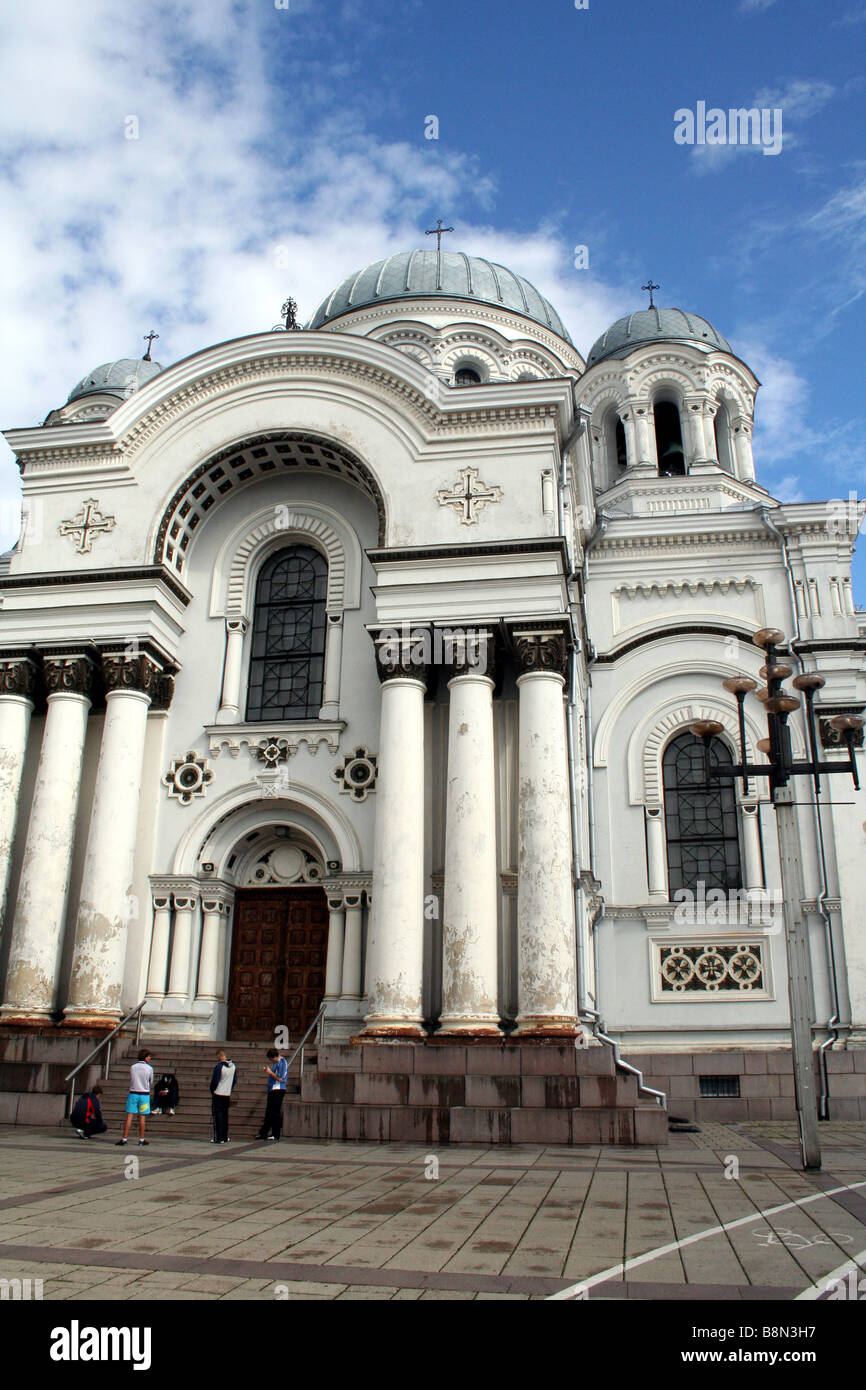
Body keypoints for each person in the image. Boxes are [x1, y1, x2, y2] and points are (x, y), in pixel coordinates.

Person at [116, 1049, 154, 1146]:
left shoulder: (133, 1067)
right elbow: (151, 1081)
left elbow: (132, 1078)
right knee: (142, 1117)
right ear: (146, 1057)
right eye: (149, 1056)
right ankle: (141, 1139)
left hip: (133, 1093)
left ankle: (124, 1138)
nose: (150, 1058)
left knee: (129, 1116)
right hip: (144, 1094)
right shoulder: (149, 1068)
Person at [256, 1047, 288, 1141]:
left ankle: (275, 1133)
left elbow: (281, 1078)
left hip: (278, 1089)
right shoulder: (276, 1063)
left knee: (275, 1112)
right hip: (272, 1089)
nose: (271, 1061)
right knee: (269, 1112)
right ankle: (263, 1133)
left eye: (271, 1059)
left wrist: (269, 1072)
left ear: (274, 1056)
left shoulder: (282, 1063)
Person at [209, 1050, 237, 1144]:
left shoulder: (219, 1066)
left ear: (219, 1056)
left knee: (218, 1116)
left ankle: (219, 1137)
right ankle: (225, 1136)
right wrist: (229, 1088)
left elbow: (215, 1081)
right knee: (225, 1116)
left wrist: (212, 1089)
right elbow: (234, 1080)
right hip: (227, 1093)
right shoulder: (233, 1066)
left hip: (218, 1093)